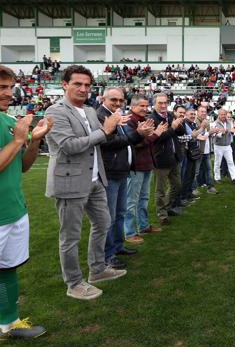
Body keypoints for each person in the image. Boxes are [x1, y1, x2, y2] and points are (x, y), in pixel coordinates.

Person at [0, 60, 51, 342]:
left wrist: (33, 142)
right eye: (1, 87)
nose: (10, 93)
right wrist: (18, 140)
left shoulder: (9, 122)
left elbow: (22, 166)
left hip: (14, 212)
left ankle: (10, 325)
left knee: (7, 270)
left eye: (11, 86)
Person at [45, 65, 127, 300]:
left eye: (87, 85)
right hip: (70, 182)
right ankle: (73, 282)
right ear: (65, 84)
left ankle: (97, 270)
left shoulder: (90, 111)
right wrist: (106, 131)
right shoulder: (55, 111)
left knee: (104, 222)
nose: (83, 89)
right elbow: (69, 146)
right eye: (77, 84)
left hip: (94, 179)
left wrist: (109, 131)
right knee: (70, 236)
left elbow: (97, 142)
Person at [96, 87, 154, 269]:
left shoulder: (116, 114)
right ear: (103, 99)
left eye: (121, 100)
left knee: (119, 213)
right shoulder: (101, 116)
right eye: (114, 100)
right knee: (110, 217)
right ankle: (107, 254)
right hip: (111, 172)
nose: (118, 103)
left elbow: (122, 141)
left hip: (121, 171)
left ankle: (117, 246)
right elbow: (108, 143)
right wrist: (138, 135)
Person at [124, 95, 166, 244]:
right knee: (131, 201)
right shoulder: (129, 120)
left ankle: (144, 225)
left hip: (147, 164)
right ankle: (129, 232)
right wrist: (155, 135)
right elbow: (134, 143)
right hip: (136, 166)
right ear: (133, 106)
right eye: (141, 106)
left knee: (144, 198)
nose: (144, 108)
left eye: (146, 105)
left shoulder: (143, 120)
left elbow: (145, 142)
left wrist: (151, 136)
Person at [149, 93, 185, 226]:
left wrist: (178, 123)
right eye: (160, 103)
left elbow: (180, 133)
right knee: (160, 190)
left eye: (165, 102)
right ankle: (162, 215)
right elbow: (158, 139)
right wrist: (173, 127)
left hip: (174, 157)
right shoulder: (152, 119)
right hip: (161, 160)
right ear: (154, 104)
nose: (163, 105)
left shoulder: (170, 115)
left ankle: (168, 207)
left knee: (177, 185)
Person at [212, 108, 235, 184]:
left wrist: (234, 131)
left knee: (230, 162)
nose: (223, 116)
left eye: (224, 114)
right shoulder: (214, 123)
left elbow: (232, 133)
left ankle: (234, 178)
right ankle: (217, 178)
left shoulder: (230, 122)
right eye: (222, 114)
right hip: (218, 146)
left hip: (227, 145)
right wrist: (224, 132)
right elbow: (216, 135)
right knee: (218, 162)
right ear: (219, 115)